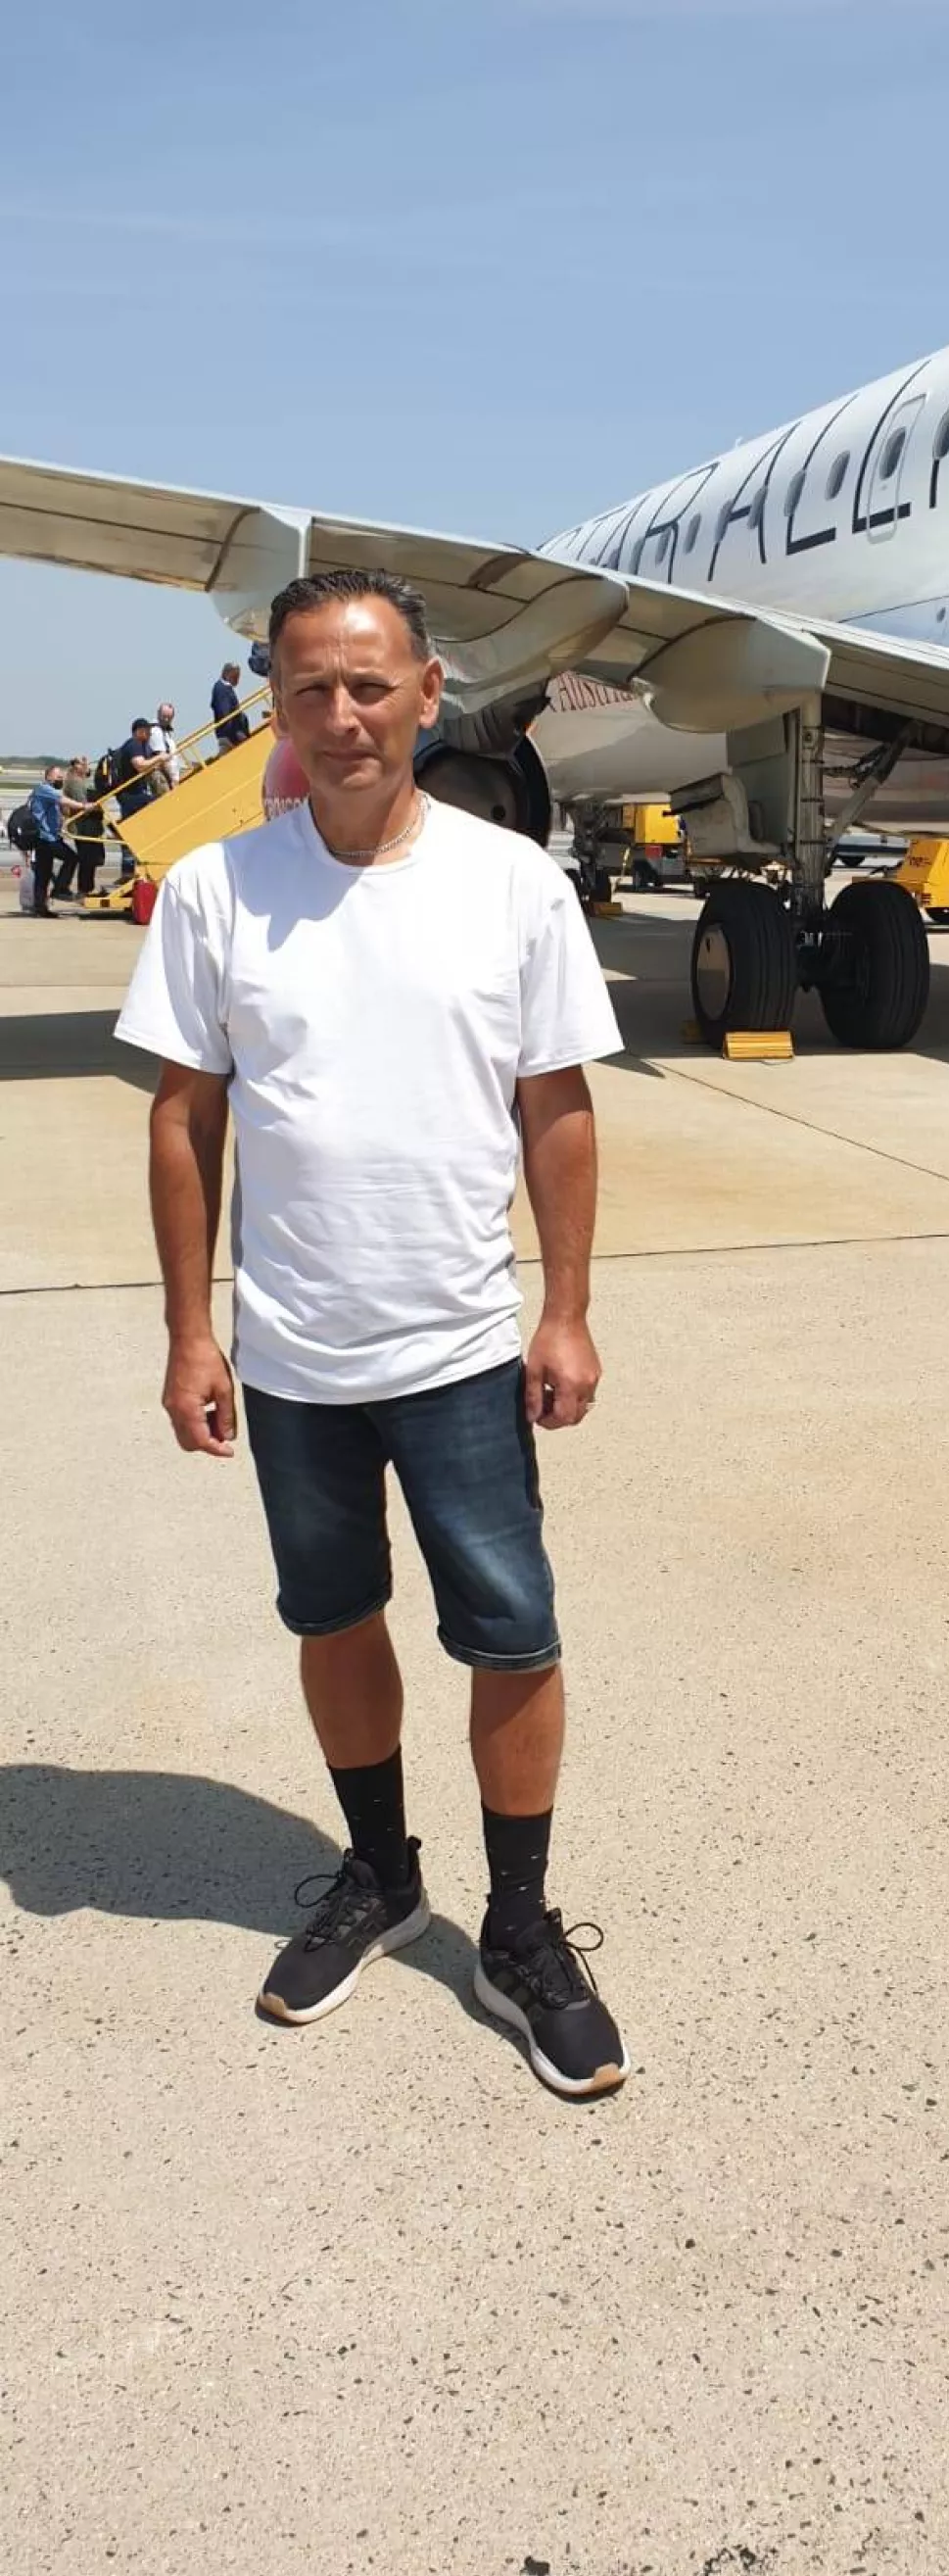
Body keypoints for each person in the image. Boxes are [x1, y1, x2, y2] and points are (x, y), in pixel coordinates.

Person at [116, 566, 629, 2099]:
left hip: (462, 1348)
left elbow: (558, 1109)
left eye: (368, 685)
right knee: (332, 1620)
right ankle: (382, 1875)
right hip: (292, 1358)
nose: (342, 716)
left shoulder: (512, 885)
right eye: (310, 690)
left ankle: (518, 1927)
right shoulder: (216, 889)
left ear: (426, 692)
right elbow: (184, 1120)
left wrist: (568, 1310)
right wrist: (189, 1334)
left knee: (512, 1635)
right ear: (275, 705)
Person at [113, 718, 161, 878]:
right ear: (139, 731)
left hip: (128, 795)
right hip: (131, 795)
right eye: (148, 731)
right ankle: (135, 869)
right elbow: (139, 765)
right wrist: (159, 758)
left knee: (130, 833)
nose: (150, 734)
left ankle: (127, 872)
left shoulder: (135, 745)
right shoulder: (134, 744)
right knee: (160, 805)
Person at [29, 765, 79, 911]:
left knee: (43, 873)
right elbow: (62, 800)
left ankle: (40, 906)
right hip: (46, 838)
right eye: (58, 777)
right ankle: (60, 889)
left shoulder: (48, 791)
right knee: (71, 858)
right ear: (49, 776)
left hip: (48, 837)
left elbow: (61, 809)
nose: (61, 780)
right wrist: (83, 806)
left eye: (62, 778)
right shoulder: (44, 789)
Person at [62, 755, 106, 898]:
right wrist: (98, 806)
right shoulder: (75, 782)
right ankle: (84, 889)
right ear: (76, 766)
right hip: (82, 825)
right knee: (87, 858)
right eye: (83, 763)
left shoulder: (80, 780)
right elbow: (82, 803)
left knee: (91, 858)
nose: (87, 765)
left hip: (88, 824)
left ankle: (87, 888)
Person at [210, 662, 250, 753]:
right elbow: (225, 713)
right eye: (235, 677)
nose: (237, 680)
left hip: (230, 735)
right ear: (227, 674)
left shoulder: (225, 688)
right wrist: (236, 732)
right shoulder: (221, 689)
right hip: (230, 737)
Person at [147, 703, 183, 788]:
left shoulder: (165, 731)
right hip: (163, 777)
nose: (166, 719)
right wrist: (172, 780)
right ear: (158, 713)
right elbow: (162, 758)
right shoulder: (156, 731)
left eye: (169, 717)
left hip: (169, 775)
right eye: (164, 716)